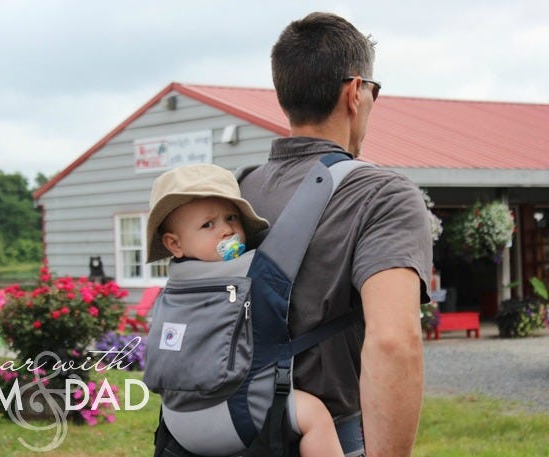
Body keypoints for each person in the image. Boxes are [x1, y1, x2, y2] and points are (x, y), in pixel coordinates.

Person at [239, 12, 433, 457]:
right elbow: (393, 343)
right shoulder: (382, 194)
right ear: (354, 92)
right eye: (373, 91)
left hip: (229, 428)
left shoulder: (238, 191)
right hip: (325, 438)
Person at [146, 163, 345, 457]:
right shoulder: (251, 270)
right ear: (173, 243)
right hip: (235, 422)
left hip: (177, 421)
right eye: (208, 225)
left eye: (231, 218)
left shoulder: (173, 285)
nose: (226, 230)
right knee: (315, 415)